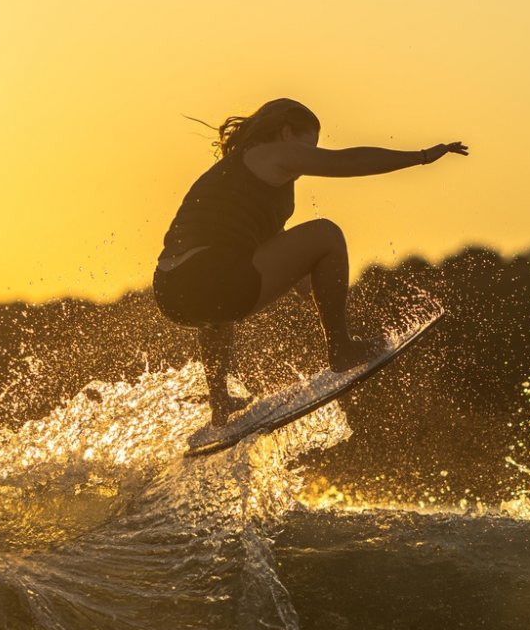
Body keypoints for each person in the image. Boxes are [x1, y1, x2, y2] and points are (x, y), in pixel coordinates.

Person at [152, 97, 467, 425]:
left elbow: (298, 277)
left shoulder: (243, 179)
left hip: (172, 290)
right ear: (286, 133)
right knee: (326, 234)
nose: (308, 160)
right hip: (211, 277)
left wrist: (331, 296)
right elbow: (349, 162)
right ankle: (341, 349)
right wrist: (422, 157)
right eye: (309, 147)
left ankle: (220, 403)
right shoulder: (270, 152)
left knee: (216, 311)